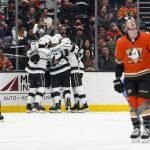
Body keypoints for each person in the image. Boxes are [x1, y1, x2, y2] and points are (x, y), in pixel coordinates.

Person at [113, 16, 150, 143]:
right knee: (133, 104)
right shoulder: (121, 42)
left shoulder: (146, 37)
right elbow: (119, 63)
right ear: (125, 27)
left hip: (146, 75)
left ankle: (147, 128)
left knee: (143, 102)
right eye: (128, 21)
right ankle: (136, 128)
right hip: (129, 77)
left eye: (133, 21)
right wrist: (117, 79)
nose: (132, 22)